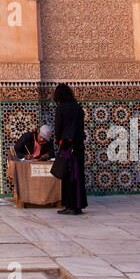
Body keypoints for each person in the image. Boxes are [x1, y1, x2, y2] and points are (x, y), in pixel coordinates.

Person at [52, 82, 87, 214]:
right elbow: (81, 128)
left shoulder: (61, 109)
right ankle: (77, 206)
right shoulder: (78, 108)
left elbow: (58, 129)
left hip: (67, 147)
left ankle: (69, 205)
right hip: (78, 146)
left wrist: (59, 143)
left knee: (68, 176)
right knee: (78, 175)